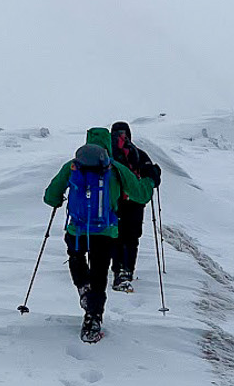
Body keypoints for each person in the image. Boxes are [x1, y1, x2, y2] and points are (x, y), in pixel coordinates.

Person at [43, 126, 154, 342]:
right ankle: (93, 319)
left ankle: (83, 287)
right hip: (105, 231)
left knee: (76, 256)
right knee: (99, 274)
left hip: (77, 229)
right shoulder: (116, 168)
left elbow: (50, 196)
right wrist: (151, 179)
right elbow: (141, 195)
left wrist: (58, 200)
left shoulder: (73, 166)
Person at [109, 121, 162, 292]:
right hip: (135, 202)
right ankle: (127, 270)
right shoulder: (138, 154)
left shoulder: (106, 154)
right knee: (132, 237)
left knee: (115, 236)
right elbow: (152, 178)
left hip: (112, 201)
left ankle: (117, 269)